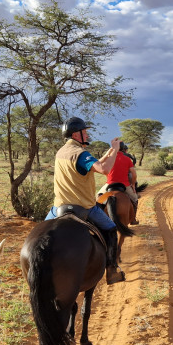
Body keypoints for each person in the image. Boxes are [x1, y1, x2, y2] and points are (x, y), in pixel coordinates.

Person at [46, 116, 125, 284]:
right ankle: (111, 270)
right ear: (76, 135)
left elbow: (95, 163)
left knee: (41, 231)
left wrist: (111, 150)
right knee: (111, 229)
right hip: (83, 207)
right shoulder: (80, 153)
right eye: (85, 132)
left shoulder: (62, 152)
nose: (87, 136)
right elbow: (103, 169)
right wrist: (116, 151)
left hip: (58, 207)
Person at [98, 141, 139, 225]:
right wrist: (133, 185)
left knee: (98, 198)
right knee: (135, 199)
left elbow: (101, 167)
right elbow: (133, 174)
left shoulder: (109, 158)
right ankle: (133, 219)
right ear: (123, 149)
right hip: (125, 185)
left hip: (109, 184)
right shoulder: (127, 159)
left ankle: (98, 218)